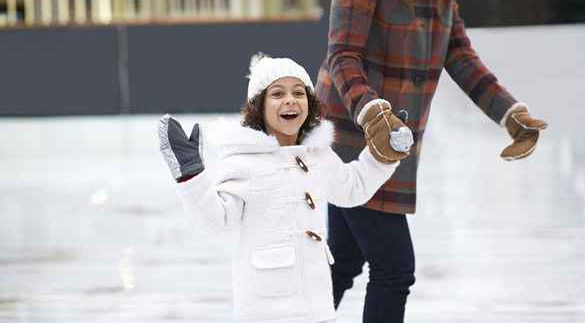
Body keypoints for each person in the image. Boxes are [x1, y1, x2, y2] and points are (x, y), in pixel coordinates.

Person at [314, 0, 549, 322]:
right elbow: (343, 54)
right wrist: (373, 113)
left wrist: (510, 114)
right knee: (394, 269)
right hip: (353, 140)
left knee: (344, 264)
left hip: (391, 141)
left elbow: (457, 53)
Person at [157, 53, 410, 323]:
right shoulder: (244, 160)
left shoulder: (317, 155)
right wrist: (191, 176)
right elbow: (218, 221)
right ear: (259, 107)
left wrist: (382, 155)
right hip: (268, 310)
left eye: (299, 93)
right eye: (277, 94)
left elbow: (352, 188)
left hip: (318, 306)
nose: (290, 100)